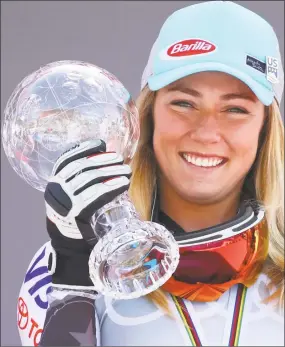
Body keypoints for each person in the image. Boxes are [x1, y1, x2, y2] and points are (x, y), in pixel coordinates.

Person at [17, 1, 284, 346]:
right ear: (147, 115)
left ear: (265, 129)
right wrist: (73, 277)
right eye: (183, 103)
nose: (206, 132)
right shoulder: (63, 262)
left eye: (235, 109)